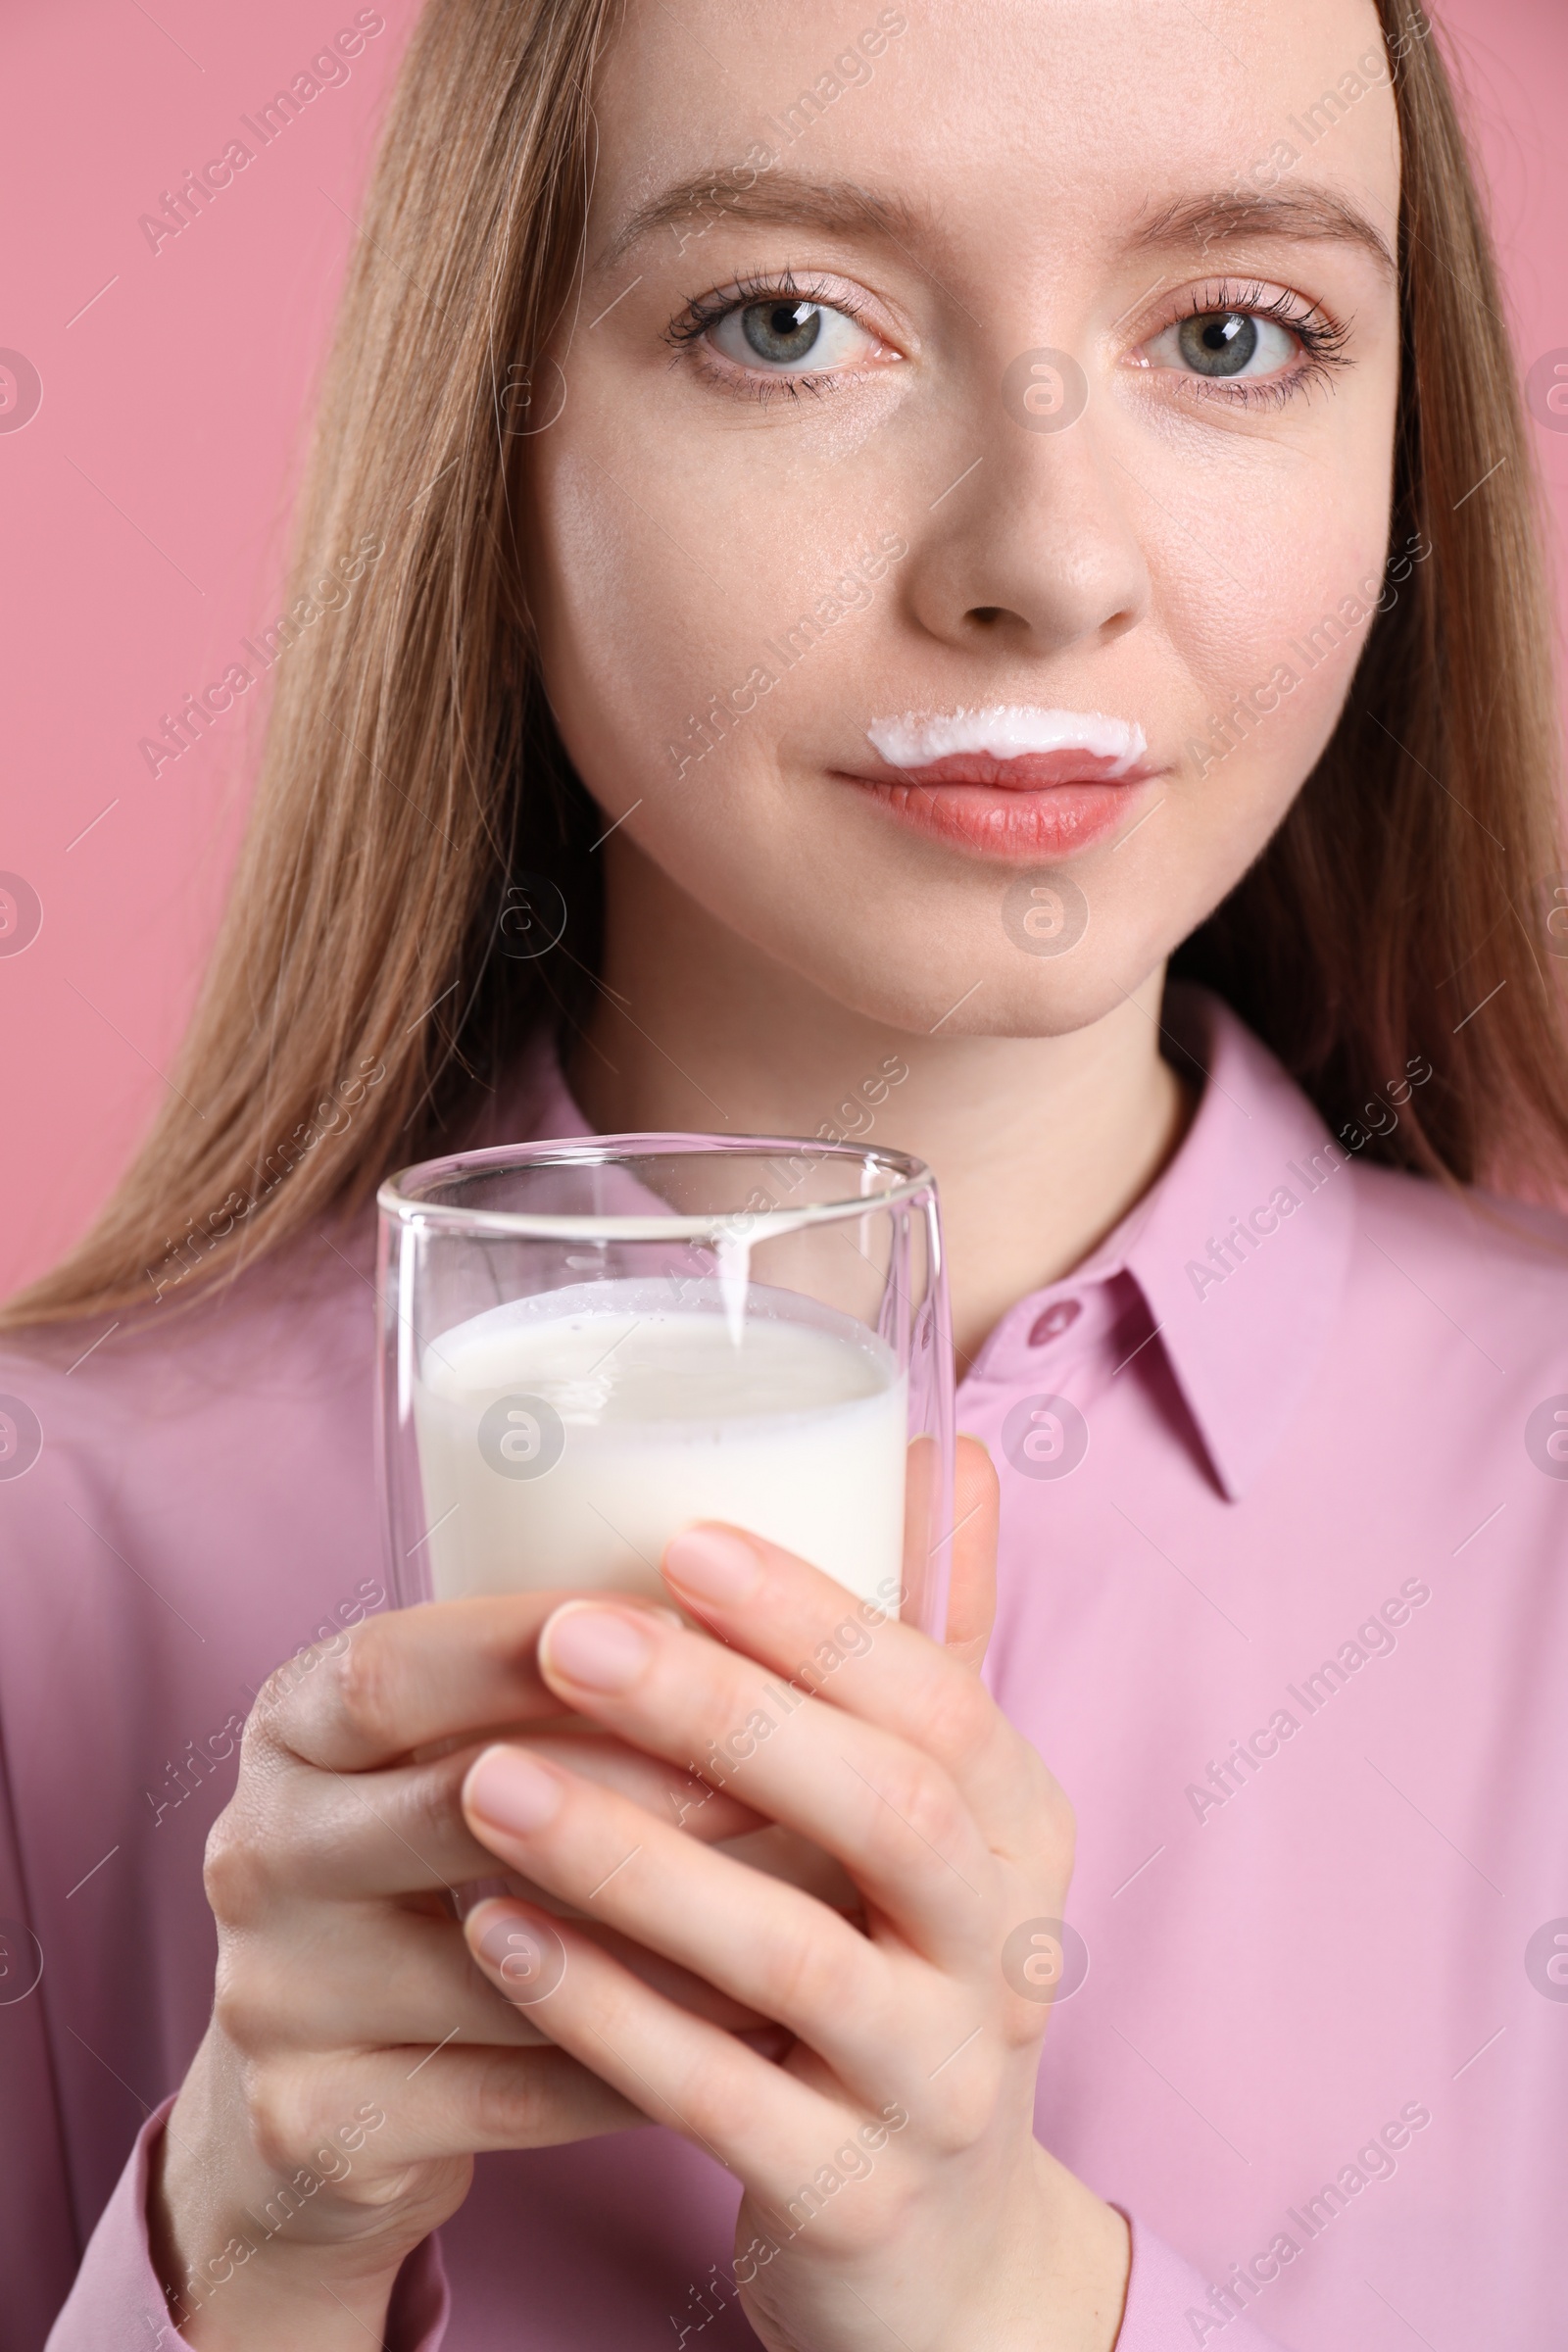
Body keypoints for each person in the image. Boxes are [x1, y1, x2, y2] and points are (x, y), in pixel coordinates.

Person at [4, 0, 1565, 2344]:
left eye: (1233, 333)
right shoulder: (43, 1537)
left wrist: (1014, 2301)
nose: (1042, 562)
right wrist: (248, 2263)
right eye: (782, 323)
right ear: (492, 439)